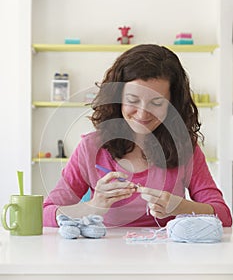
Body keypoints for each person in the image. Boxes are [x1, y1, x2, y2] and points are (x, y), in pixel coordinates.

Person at [43, 44, 232, 228]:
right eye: (133, 100)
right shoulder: (91, 147)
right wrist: (93, 206)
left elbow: (223, 216)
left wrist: (181, 207)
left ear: (172, 104)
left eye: (156, 103)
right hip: (102, 255)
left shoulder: (185, 147)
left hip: (167, 256)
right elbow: (46, 214)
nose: (142, 114)